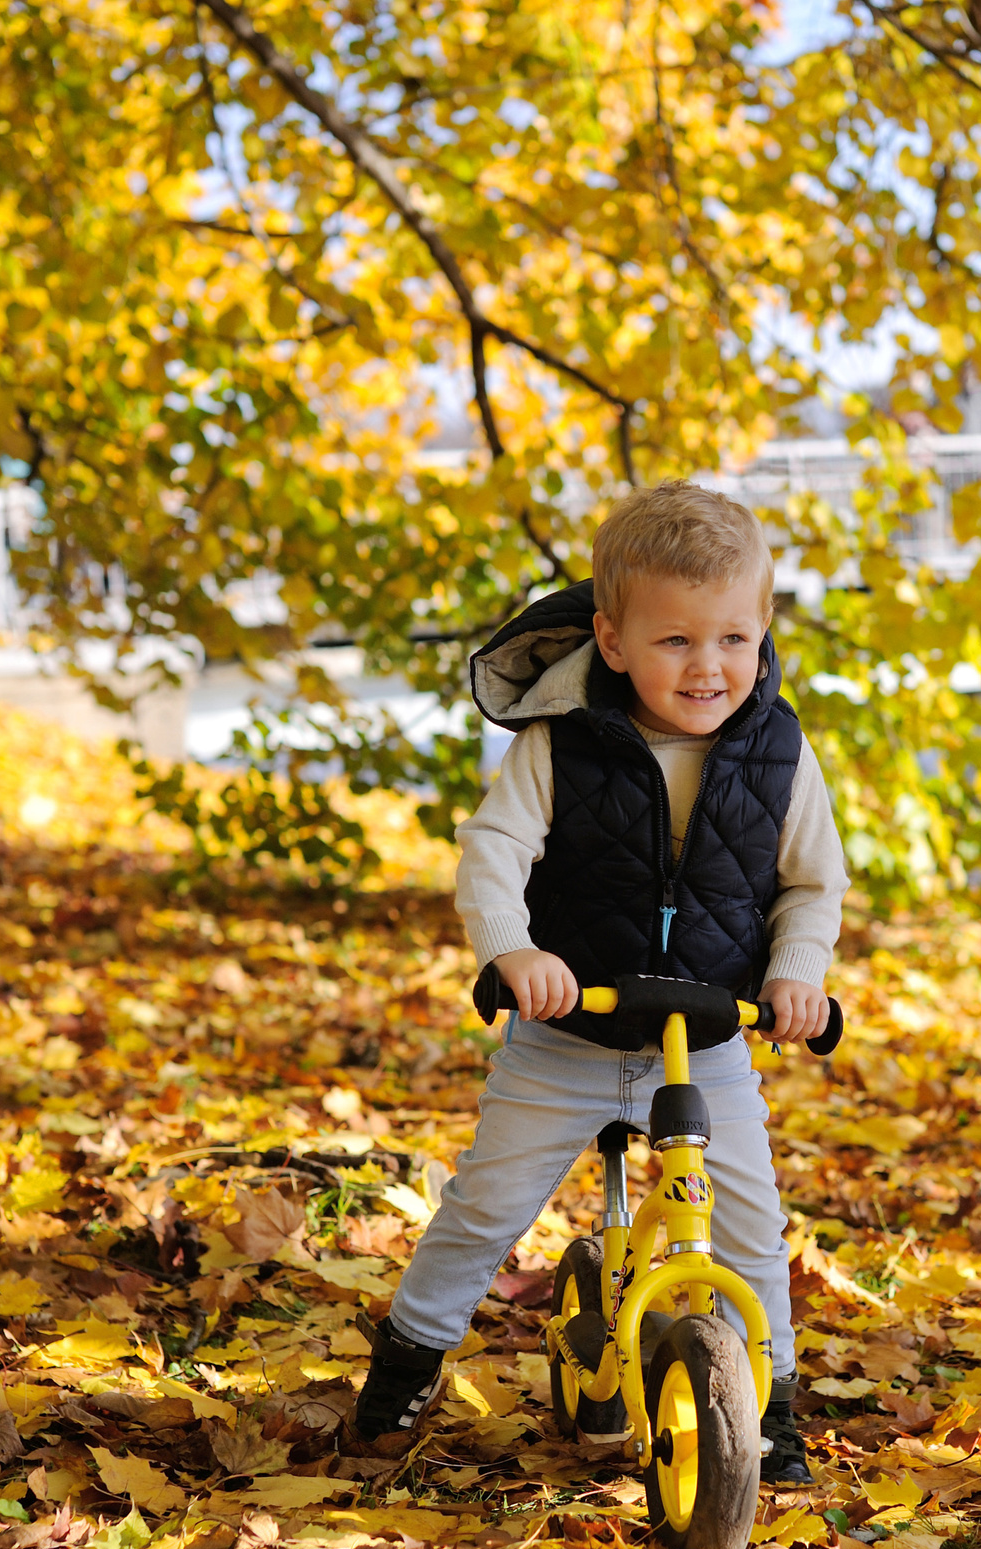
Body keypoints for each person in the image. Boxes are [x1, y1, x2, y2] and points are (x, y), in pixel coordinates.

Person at [343, 479, 849, 1486]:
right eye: (675, 643)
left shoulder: (780, 754)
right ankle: (409, 1356)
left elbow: (811, 883)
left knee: (751, 1225)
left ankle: (772, 1398)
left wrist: (797, 974)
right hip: (570, 1034)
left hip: (705, 1040)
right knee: (487, 1207)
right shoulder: (560, 741)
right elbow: (493, 853)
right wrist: (512, 951)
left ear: (763, 633)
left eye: (734, 641)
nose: (709, 668)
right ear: (612, 642)